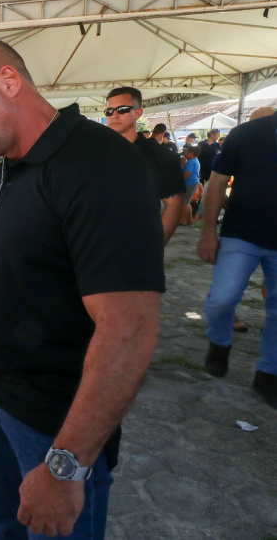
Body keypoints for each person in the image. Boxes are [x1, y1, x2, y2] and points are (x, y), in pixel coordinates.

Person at [0, 38, 164, 538]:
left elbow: (129, 328)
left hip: (50, 418)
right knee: (3, 525)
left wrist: (66, 465)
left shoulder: (99, 164)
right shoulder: (3, 168)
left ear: (8, 81)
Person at [198, 108, 277, 409]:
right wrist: (207, 231)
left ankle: (268, 373)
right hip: (241, 234)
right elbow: (217, 183)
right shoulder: (246, 133)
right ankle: (219, 341)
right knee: (222, 298)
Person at [105, 86, 185, 244]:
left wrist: (155, 247)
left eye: (122, 109)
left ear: (138, 112)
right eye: (109, 111)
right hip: (95, 242)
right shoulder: (97, 151)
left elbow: (174, 204)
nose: (114, 115)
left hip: (136, 241)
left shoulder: (159, 155)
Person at [181, 145, 201, 226]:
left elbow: (186, 174)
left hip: (190, 183)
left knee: (184, 202)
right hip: (193, 183)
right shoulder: (195, 160)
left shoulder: (190, 162)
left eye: (186, 151)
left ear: (191, 153)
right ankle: (189, 219)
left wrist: (183, 164)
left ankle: (183, 220)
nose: (185, 153)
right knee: (187, 201)